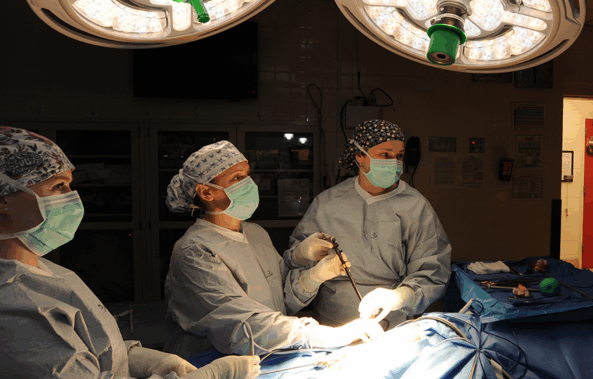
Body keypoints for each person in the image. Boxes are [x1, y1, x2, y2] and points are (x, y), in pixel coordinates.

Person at [0, 127, 260, 379]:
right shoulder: (11, 305)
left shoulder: (46, 272)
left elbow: (92, 346)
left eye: (70, 185)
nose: (73, 198)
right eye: (58, 187)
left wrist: (137, 359)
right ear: (4, 199)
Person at [163, 141, 384, 360]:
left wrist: (312, 274)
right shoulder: (194, 252)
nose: (249, 184)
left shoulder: (255, 233)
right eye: (237, 178)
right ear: (206, 192)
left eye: (247, 175)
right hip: (211, 366)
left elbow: (279, 301)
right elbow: (243, 328)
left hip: (264, 357)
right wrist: (327, 335)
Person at [283, 120, 452, 329]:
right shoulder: (327, 204)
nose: (394, 163)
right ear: (359, 157)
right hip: (333, 325)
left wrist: (399, 297)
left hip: (393, 323)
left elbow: (433, 271)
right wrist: (310, 267)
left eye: (399, 156)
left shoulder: (416, 206)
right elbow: (295, 263)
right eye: (385, 155)